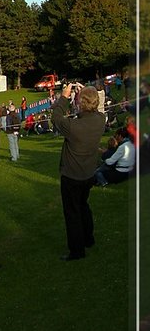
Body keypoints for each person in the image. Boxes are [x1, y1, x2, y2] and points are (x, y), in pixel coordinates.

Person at [51, 82, 106, 261]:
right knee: (83, 206)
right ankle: (88, 239)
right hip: (89, 174)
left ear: (81, 103)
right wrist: (86, 93)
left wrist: (65, 97)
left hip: (72, 176)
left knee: (72, 213)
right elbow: (98, 106)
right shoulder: (100, 120)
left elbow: (56, 117)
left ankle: (77, 251)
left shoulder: (73, 126)